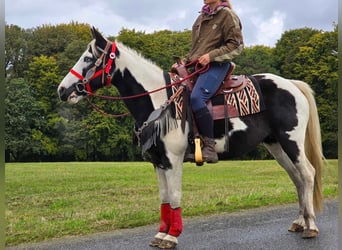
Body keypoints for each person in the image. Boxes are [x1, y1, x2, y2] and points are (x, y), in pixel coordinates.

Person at [184, 0, 244, 163]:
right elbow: (197, 49)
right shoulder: (201, 17)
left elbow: (236, 45)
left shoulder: (226, 14)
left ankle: (210, 147)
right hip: (197, 67)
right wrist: (184, 61)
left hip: (217, 66)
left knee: (197, 98)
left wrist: (210, 56)